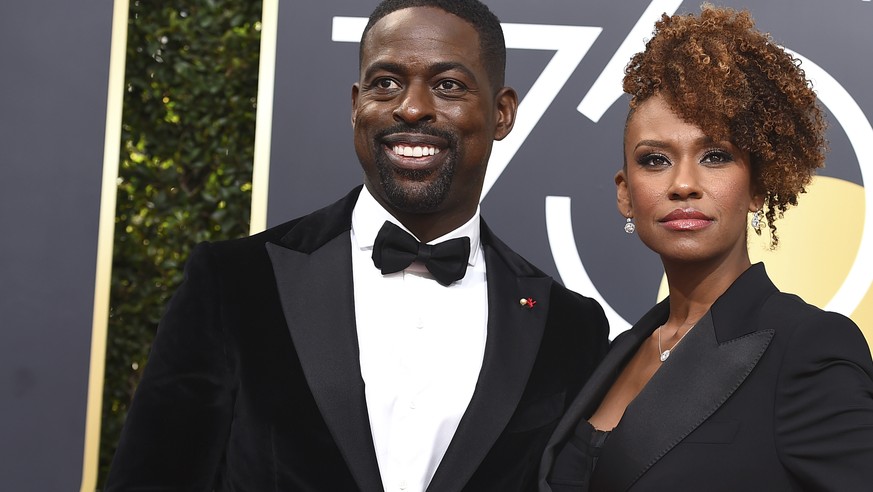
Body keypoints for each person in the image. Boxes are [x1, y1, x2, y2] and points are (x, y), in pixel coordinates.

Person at [106, 1, 609, 491]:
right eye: (385, 83)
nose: (412, 107)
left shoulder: (568, 327)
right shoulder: (235, 282)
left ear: (502, 114)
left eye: (448, 85)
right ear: (356, 105)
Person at [539, 5, 873, 491]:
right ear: (626, 194)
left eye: (714, 156)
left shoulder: (808, 349)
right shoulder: (611, 355)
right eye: (655, 160)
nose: (683, 184)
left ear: (757, 187)